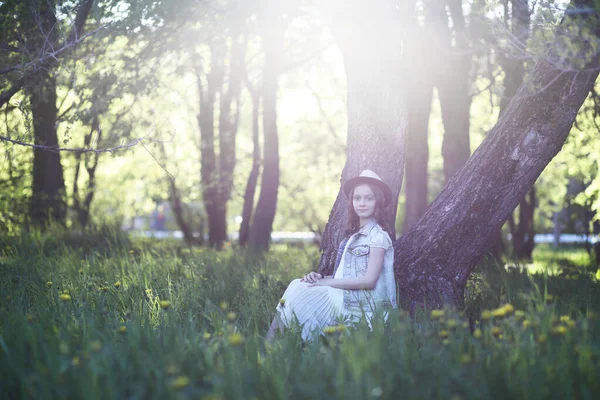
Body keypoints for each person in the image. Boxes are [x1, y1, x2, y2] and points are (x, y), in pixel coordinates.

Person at [266, 170, 397, 341]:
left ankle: (269, 345)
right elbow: (346, 275)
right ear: (352, 202)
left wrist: (326, 282)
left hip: (363, 307)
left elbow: (369, 281)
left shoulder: (378, 237)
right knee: (299, 285)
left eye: (368, 198)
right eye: (357, 198)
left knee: (297, 288)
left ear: (378, 202)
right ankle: (272, 345)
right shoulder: (353, 236)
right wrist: (319, 277)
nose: (362, 203)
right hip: (346, 297)